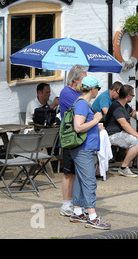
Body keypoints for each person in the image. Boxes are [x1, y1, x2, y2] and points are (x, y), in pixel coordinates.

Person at [69, 75, 110, 230]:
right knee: (90, 182)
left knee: (80, 180)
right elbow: (78, 127)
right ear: (92, 89)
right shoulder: (82, 104)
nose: (97, 92)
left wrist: (94, 125)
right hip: (83, 149)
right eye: (97, 88)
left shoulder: (84, 103)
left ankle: (78, 212)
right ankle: (92, 217)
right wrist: (96, 120)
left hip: (85, 148)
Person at [105, 85, 138, 177]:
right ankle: (123, 167)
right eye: (133, 95)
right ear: (128, 96)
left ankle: (136, 165)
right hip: (113, 134)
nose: (133, 97)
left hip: (123, 133)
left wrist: (136, 113)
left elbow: (132, 112)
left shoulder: (125, 105)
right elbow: (124, 124)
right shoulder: (116, 107)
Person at [58, 65, 88, 217]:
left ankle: (76, 202)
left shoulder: (76, 93)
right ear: (75, 80)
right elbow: (83, 109)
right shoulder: (67, 93)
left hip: (77, 137)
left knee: (76, 172)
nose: (86, 82)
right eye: (84, 79)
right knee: (69, 172)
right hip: (70, 138)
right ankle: (66, 204)